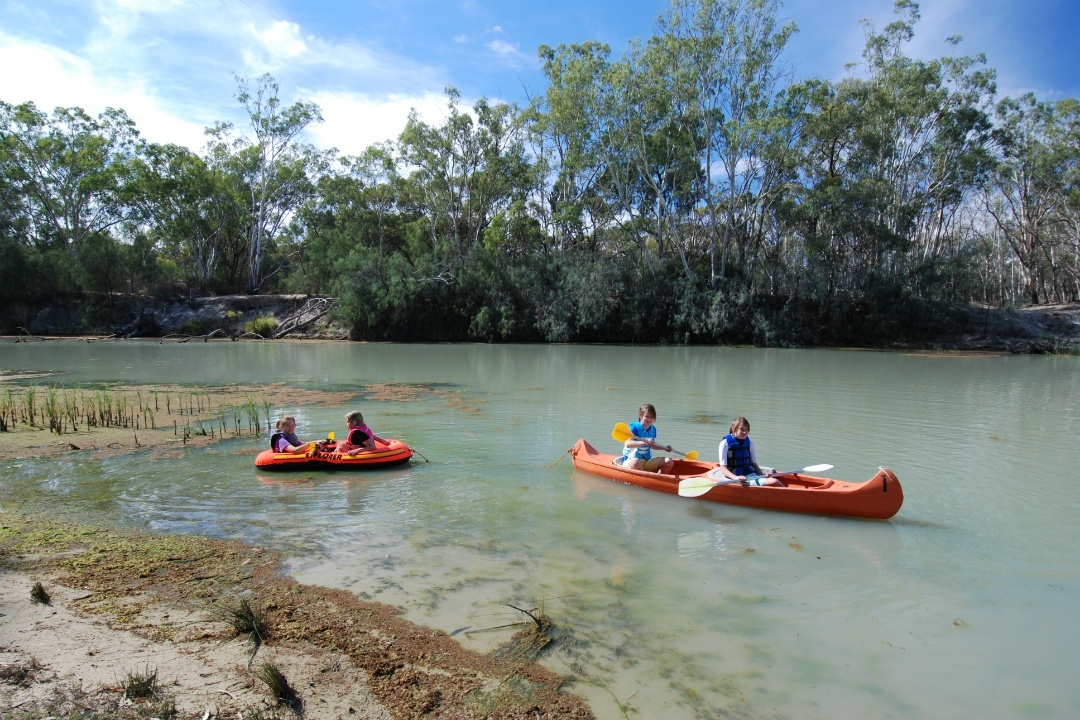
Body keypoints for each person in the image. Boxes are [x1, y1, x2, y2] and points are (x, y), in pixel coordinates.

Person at [717, 416, 784, 486]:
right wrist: (735, 477)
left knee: (773, 481)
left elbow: (754, 464)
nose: (745, 432)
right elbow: (723, 468)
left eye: (747, 429)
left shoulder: (750, 443)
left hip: (751, 475)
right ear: (733, 428)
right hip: (735, 477)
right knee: (774, 482)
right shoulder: (725, 443)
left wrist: (762, 475)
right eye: (742, 429)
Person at [619, 403, 675, 473]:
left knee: (669, 461)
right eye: (647, 416)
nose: (649, 419)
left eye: (651, 417)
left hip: (646, 461)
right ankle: (646, 479)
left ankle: (658, 479)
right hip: (631, 460)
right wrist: (644, 442)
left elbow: (652, 446)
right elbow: (628, 444)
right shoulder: (634, 428)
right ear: (640, 416)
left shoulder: (653, 429)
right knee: (636, 462)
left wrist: (665, 448)